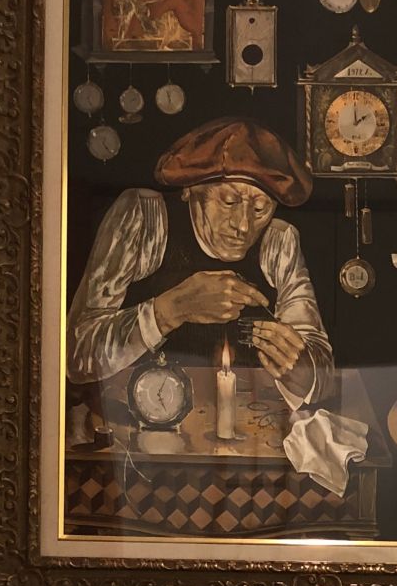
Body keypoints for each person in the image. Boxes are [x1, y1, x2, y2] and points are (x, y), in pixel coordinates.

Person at [66, 117, 333, 410]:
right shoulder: (144, 219)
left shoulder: (279, 242)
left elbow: (323, 374)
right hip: (138, 413)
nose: (243, 226)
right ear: (189, 189)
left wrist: (302, 369)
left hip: (247, 420)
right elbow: (76, 356)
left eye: (260, 209)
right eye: (229, 202)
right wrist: (174, 308)